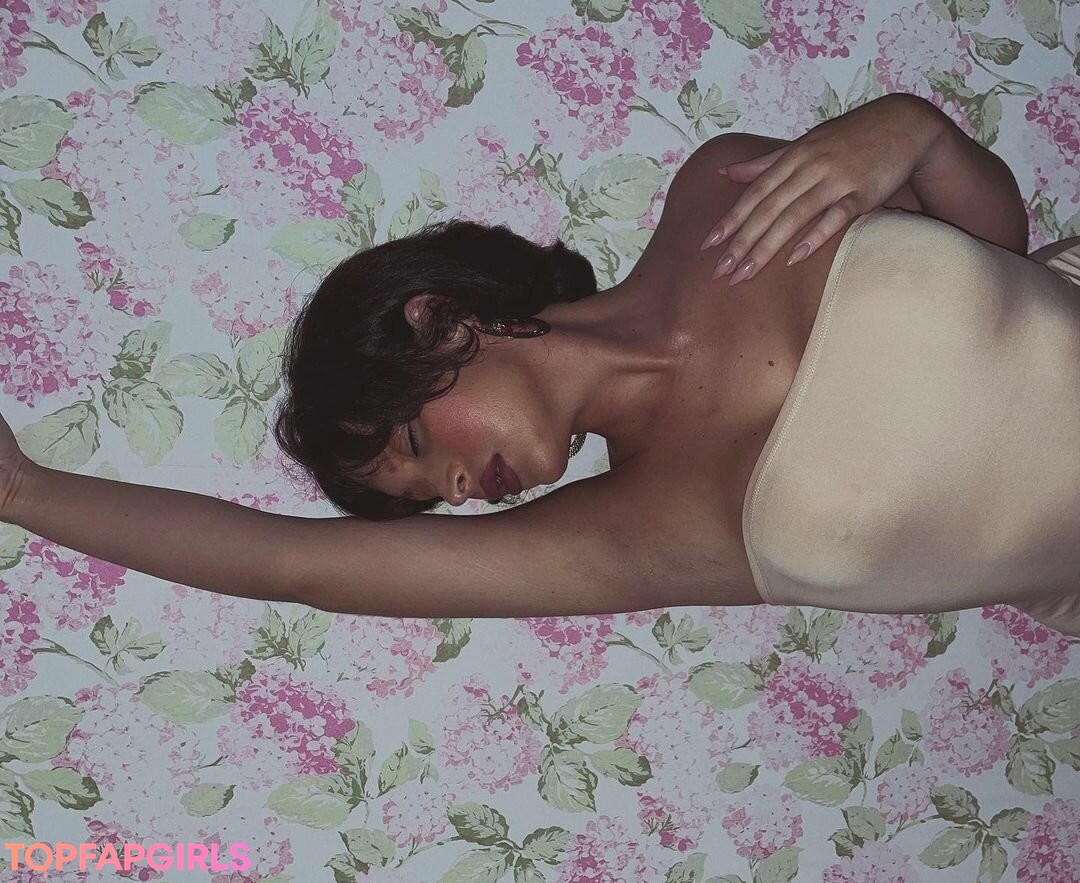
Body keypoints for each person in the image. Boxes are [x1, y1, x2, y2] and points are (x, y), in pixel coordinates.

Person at [2, 92, 1078, 634]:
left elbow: (999, 259)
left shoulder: (714, 196)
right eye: (430, 498)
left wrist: (913, 130)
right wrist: (22, 492)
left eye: (417, 443)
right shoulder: (628, 535)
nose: (457, 491)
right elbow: (299, 568)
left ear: (440, 322)